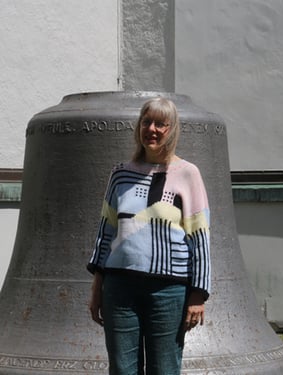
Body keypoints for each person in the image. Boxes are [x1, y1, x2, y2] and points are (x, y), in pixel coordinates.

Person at [87, 97, 211, 375]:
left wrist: (198, 294)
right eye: (146, 122)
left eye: (160, 124)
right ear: (139, 127)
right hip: (119, 289)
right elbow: (106, 233)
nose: (152, 129)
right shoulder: (120, 174)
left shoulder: (188, 174)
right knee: (122, 369)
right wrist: (97, 289)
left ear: (172, 129)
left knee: (164, 369)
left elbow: (200, 237)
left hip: (168, 292)